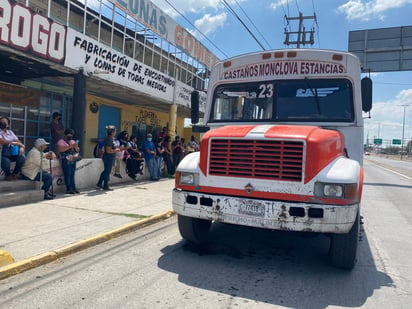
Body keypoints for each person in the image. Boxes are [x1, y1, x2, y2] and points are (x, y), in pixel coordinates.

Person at [0, 116, 26, 181]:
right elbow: (2, 141)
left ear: (8, 125)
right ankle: (8, 175)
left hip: (12, 152)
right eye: (1, 122)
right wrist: (14, 143)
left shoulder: (10, 132)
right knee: (6, 162)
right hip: (2, 154)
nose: (2, 123)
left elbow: (18, 141)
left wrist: (21, 147)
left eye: (4, 122)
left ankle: (14, 174)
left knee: (21, 158)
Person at [97, 125, 122, 190]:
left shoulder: (110, 139)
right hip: (108, 157)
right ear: (112, 132)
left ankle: (99, 183)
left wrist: (118, 148)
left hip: (109, 157)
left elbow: (112, 147)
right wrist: (117, 150)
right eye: (115, 131)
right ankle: (105, 185)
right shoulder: (109, 139)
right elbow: (108, 151)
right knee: (107, 171)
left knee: (106, 171)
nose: (115, 132)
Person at [57, 128, 81, 194]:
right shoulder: (61, 141)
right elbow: (60, 149)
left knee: (72, 174)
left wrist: (76, 146)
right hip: (65, 160)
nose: (70, 137)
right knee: (67, 174)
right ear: (65, 135)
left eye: (71, 135)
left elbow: (78, 150)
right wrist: (70, 146)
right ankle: (68, 189)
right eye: (68, 135)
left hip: (73, 159)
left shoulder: (73, 141)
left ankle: (73, 187)